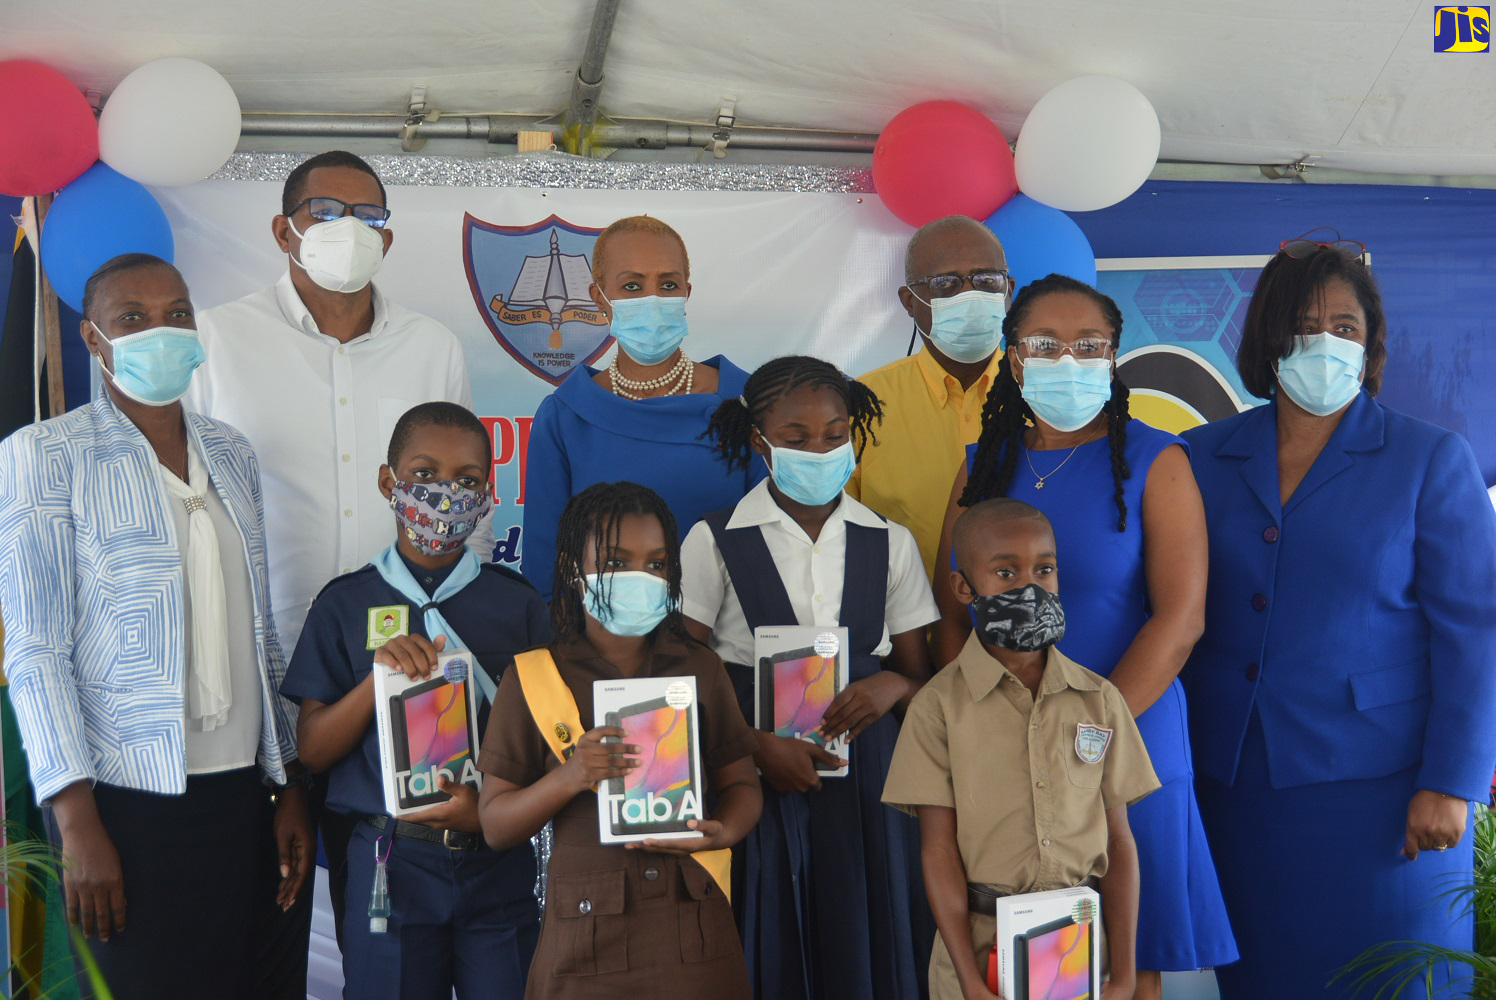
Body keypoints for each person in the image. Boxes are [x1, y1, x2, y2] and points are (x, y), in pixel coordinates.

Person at [184, 149, 484, 982]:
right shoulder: (218, 339)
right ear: (283, 229)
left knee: (382, 914)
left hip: (400, 678)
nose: (349, 231)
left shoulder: (432, 347)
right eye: (326, 212)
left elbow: (459, 507)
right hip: (258, 672)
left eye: (370, 216)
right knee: (259, 911)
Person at [1181, 237, 1496, 998]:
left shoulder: (1430, 458)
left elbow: (1475, 633)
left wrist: (1453, 782)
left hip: (1388, 799)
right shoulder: (1194, 458)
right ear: (1266, 339)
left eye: (1344, 327)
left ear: (1371, 342)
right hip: (1235, 793)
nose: (1323, 343)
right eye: (1302, 325)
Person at [0, 254, 312, 1000]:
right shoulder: (45, 456)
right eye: (131, 319)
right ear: (92, 339)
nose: (160, 332)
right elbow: (36, 648)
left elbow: (259, 629)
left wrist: (289, 782)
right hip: (123, 806)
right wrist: (74, 819)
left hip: (242, 799)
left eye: (176, 314)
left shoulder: (231, 454)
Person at [930, 274, 1237, 998]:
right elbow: (954, 613)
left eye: (1090, 345)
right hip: (1003, 753)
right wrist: (979, 730)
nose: (1069, 361)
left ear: (1113, 357)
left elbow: (1181, 618)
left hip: (1125, 742)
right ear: (1012, 359)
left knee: (1128, 966)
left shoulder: (1159, 463)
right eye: (1046, 345)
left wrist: (1085, 736)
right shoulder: (979, 467)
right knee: (1013, 954)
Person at [680, 355, 940, 1000]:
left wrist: (893, 687)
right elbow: (683, 670)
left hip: (869, 781)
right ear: (758, 440)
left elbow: (920, 679)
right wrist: (753, 745)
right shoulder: (714, 540)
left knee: (865, 926)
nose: (819, 450)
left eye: (835, 434)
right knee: (771, 927)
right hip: (757, 767)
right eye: (796, 438)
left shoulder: (890, 542)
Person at [281, 402, 547, 999]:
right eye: (424, 475)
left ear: (487, 494)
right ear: (388, 483)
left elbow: (552, 742)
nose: (445, 494)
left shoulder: (518, 606)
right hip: (389, 860)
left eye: (467, 480)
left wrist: (487, 808)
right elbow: (314, 750)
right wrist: (376, 681)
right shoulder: (345, 604)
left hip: (496, 856)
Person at [477, 482, 762, 998]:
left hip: (695, 929)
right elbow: (495, 825)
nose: (641, 578)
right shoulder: (532, 678)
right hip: (585, 938)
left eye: (656, 565)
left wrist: (720, 834)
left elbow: (743, 786)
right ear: (570, 569)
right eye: (615, 561)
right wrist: (570, 776)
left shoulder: (701, 668)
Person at [884, 498, 1158, 1000]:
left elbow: (1119, 846)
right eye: (1005, 572)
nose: (1029, 587)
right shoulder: (937, 708)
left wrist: (1122, 974)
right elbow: (939, 852)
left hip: (1081, 951)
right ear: (964, 587)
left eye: (1044, 569)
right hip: (980, 953)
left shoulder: (1100, 699)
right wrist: (969, 982)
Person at [522, 215, 761, 601]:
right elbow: (545, 564)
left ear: (687, 292)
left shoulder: (746, 402)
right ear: (600, 297)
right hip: (600, 648)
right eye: (632, 286)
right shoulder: (566, 416)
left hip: (725, 644)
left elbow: (771, 546)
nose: (653, 299)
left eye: (668, 285)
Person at [850, 215, 1012, 580]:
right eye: (946, 284)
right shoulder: (859, 405)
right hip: (901, 632)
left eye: (987, 280)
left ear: (1008, 291)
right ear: (909, 301)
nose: (969, 294)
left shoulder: (1046, 397)